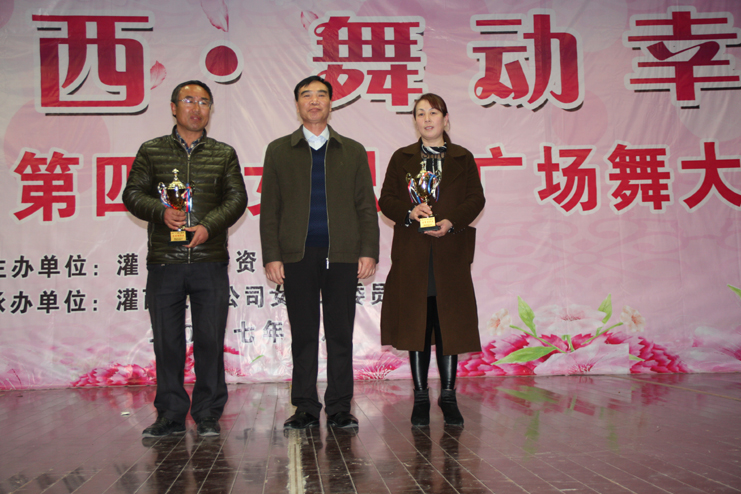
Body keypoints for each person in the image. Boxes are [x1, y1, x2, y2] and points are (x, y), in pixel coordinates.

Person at [123, 80, 248, 437]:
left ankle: (208, 413)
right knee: (168, 341)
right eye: (189, 100)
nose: (196, 108)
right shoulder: (151, 150)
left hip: (209, 260)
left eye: (204, 102)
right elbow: (132, 194)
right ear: (173, 107)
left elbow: (236, 198)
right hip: (166, 260)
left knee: (210, 339)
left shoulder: (223, 153)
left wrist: (209, 226)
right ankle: (170, 414)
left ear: (211, 109)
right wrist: (160, 211)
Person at [260, 75, 379, 430]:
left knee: (340, 334)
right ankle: (305, 407)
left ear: (331, 103)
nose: (314, 101)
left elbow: (366, 206)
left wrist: (368, 250)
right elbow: (270, 209)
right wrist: (272, 255)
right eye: (306, 95)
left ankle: (340, 406)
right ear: (297, 104)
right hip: (296, 256)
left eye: (321, 95)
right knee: (304, 334)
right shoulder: (279, 150)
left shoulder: (352, 150)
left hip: (342, 254)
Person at [379, 93, 485, 427]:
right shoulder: (402, 158)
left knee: (448, 322)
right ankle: (421, 396)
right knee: (417, 325)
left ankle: (448, 396)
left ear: (446, 119)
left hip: (450, 251)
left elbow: (476, 198)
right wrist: (410, 211)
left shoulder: (463, 158)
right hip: (413, 252)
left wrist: (452, 220)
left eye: (433, 113)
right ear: (415, 121)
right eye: (421, 113)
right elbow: (386, 200)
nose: (427, 119)